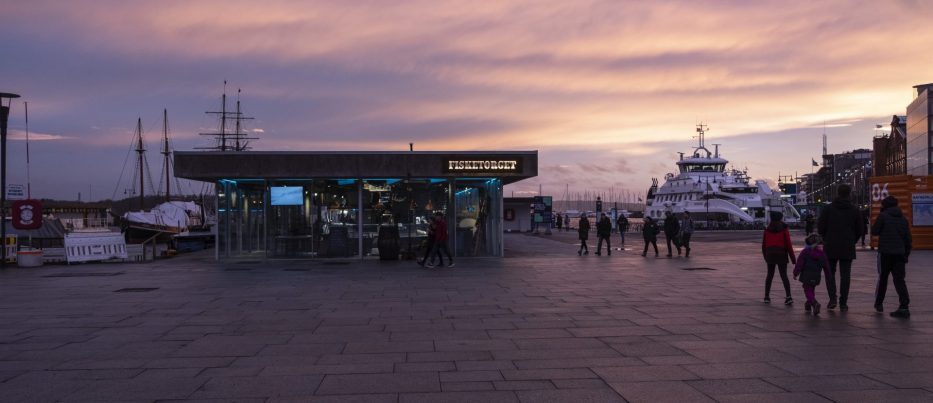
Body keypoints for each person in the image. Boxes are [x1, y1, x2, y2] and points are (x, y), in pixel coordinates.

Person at [817, 184, 863, 311]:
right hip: (847, 246)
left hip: (830, 245)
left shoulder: (828, 209)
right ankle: (843, 302)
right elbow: (860, 229)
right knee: (845, 275)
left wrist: (826, 238)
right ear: (849, 194)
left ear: (838, 193)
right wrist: (852, 240)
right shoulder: (854, 210)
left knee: (830, 274)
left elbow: (820, 228)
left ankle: (832, 299)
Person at [872, 196, 912, 318]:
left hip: (885, 253)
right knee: (900, 280)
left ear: (885, 206)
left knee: (883, 279)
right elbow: (908, 239)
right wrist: (905, 255)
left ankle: (879, 304)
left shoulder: (883, 216)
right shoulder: (903, 219)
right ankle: (904, 306)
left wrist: (880, 215)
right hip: (899, 254)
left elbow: (875, 231)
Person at [762, 211, 795, 305]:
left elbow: (764, 245)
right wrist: (793, 259)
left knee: (769, 275)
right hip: (781, 253)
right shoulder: (784, 229)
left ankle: (766, 297)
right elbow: (788, 245)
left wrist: (766, 257)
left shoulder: (767, 230)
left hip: (770, 253)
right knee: (784, 275)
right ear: (780, 218)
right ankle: (788, 297)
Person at [793, 234, 830, 315]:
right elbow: (826, 265)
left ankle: (814, 303)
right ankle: (808, 304)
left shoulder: (805, 252)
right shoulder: (822, 253)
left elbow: (799, 263)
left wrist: (795, 273)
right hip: (816, 276)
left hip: (806, 275)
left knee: (807, 289)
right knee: (811, 289)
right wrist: (828, 275)